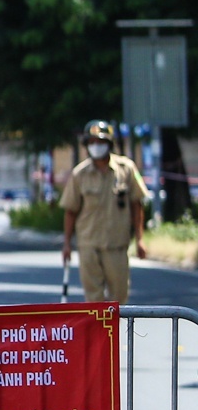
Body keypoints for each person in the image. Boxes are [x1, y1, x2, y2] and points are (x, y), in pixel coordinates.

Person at [61, 120, 147, 305]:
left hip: (116, 245)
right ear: (86, 145)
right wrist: (67, 244)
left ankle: (118, 334)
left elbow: (136, 205)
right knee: (94, 302)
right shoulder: (79, 174)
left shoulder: (126, 169)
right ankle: (97, 335)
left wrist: (140, 239)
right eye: (91, 142)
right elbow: (70, 211)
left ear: (109, 144)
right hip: (88, 245)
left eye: (100, 142)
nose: (96, 146)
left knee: (119, 300)